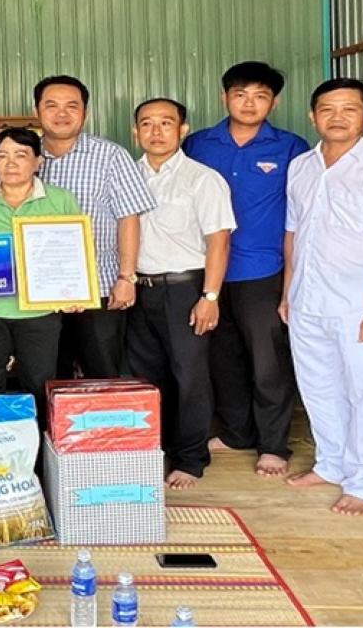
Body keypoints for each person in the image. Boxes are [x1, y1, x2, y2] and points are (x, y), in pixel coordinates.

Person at [281, 78, 363, 516]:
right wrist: (288, 292)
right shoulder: (301, 166)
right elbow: (293, 232)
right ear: (312, 115)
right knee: (319, 387)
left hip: (359, 303)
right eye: (327, 109)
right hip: (307, 298)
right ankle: (331, 463)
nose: (337, 118)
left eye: (349, 109)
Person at [184, 61, 309, 477]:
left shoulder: (291, 147)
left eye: (260, 96)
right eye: (240, 94)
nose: (249, 103)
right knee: (223, 358)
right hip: (206, 270)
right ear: (225, 97)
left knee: (268, 362)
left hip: (262, 269)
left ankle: (273, 444)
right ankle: (237, 433)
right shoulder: (199, 144)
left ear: (275, 102)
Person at [125, 98, 235, 490]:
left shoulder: (202, 178)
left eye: (166, 123)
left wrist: (210, 297)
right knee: (147, 378)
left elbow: (219, 242)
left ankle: (191, 458)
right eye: (147, 124)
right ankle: (153, 450)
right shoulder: (127, 175)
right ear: (135, 131)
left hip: (185, 289)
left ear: (183, 130)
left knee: (190, 377)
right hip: (139, 290)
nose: (156, 132)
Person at [0, 127, 82, 423]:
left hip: (40, 311)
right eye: (2, 155)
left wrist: (75, 292)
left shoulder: (60, 199)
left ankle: (36, 448)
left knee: (39, 383)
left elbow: (74, 252)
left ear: (38, 162)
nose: (10, 163)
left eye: (21, 155)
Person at [34, 75, 156, 381]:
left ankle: (105, 417)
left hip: (99, 287)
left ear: (85, 113)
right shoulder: (22, 156)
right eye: (52, 105)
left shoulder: (110, 155)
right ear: (37, 111)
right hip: (38, 291)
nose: (62, 113)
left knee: (103, 372)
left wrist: (126, 277)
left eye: (71, 106)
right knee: (47, 375)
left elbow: (129, 217)